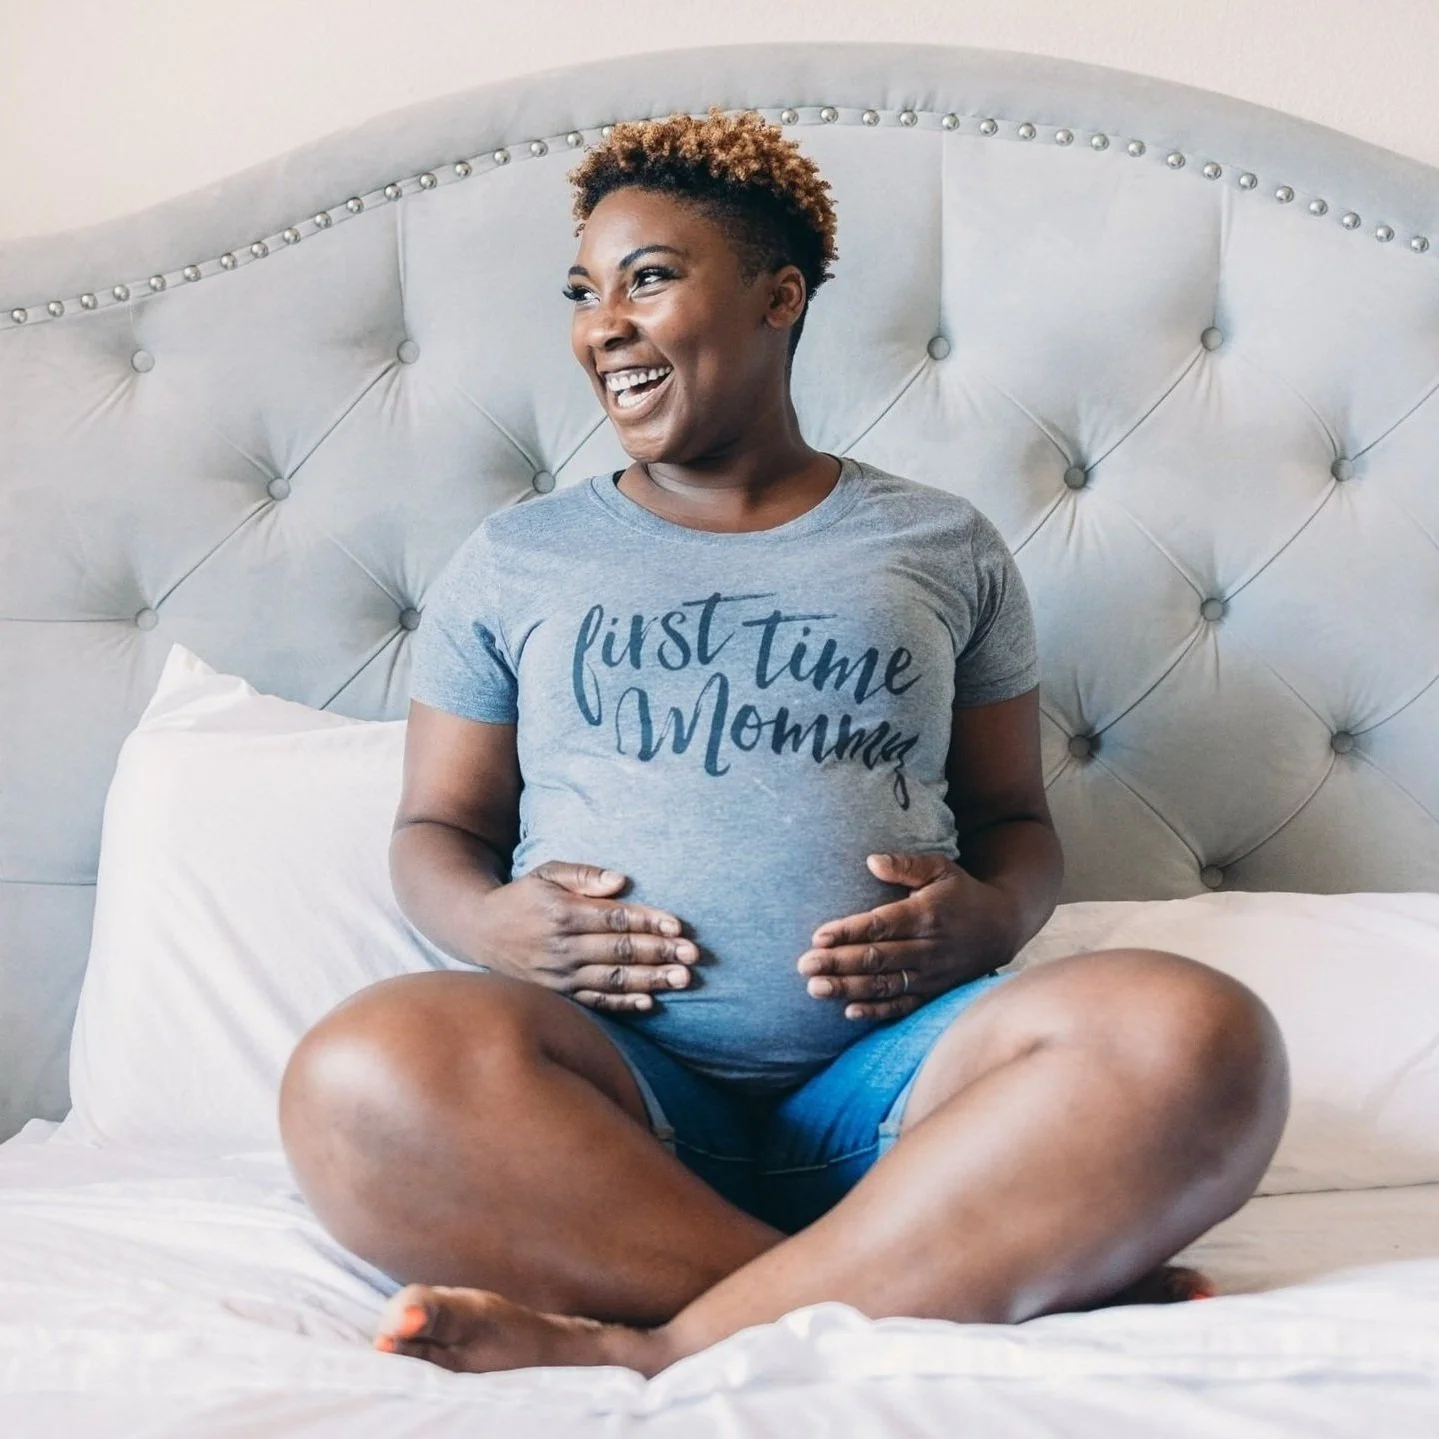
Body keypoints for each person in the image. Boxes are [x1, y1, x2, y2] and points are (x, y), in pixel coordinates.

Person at [278, 107, 1289, 1377]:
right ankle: (956, 1271)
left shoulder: (937, 544)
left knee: (1198, 1035)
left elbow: (1016, 822)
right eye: (584, 291)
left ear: (777, 297)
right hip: (610, 1114)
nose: (603, 323)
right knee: (359, 1072)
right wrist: (491, 928)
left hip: (909, 1098)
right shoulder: (519, 558)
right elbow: (438, 829)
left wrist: (988, 916)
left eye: (648, 278)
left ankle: (664, 1344)